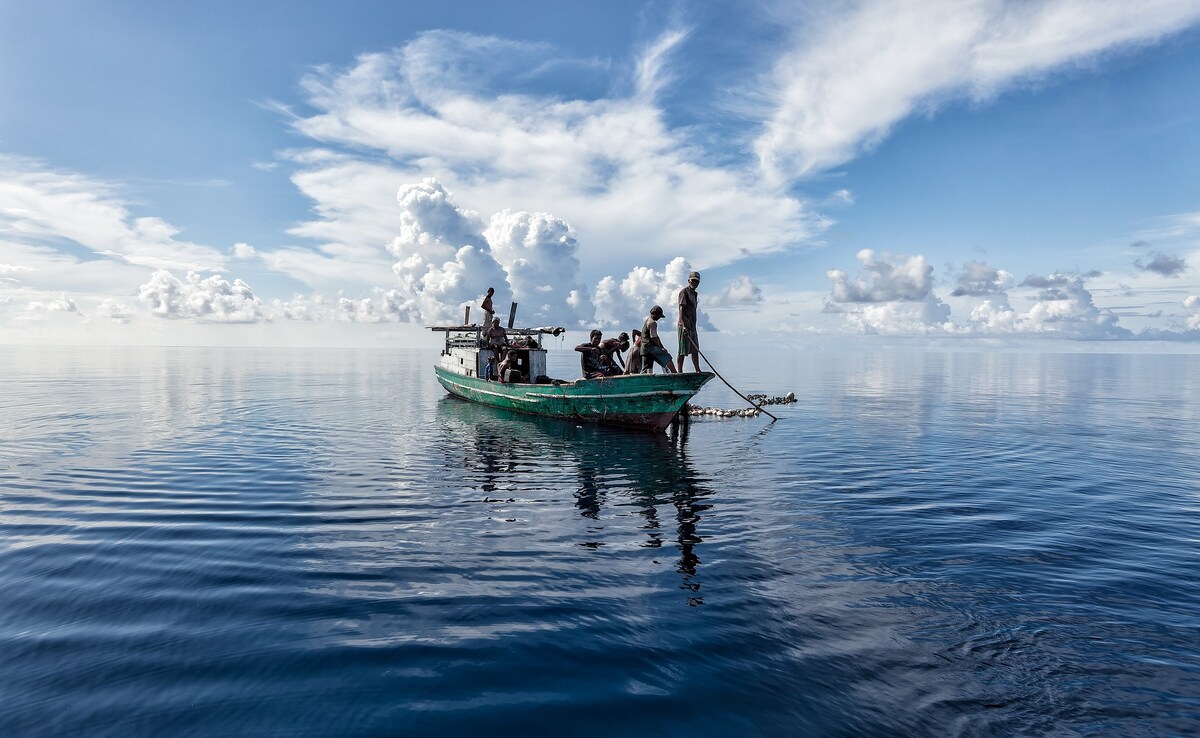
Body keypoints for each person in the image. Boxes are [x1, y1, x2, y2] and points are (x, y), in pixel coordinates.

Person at [676, 271, 701, 372]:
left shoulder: (694, 294)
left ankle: (697, 370)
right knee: (682, 350)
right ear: (688, 281)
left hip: (692, 327)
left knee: (695, 349)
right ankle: (679, 371)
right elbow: (681, 308)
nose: (694, 283)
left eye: (696, 281)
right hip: (684, 325)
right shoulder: (684, 292)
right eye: (693, 280)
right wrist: (683, 325)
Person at [640, 305, 676, 374]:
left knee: (647, 367)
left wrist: (661, 346)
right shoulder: (653, 323)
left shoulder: (647, 320)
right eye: (659, 316)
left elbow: (655, 336)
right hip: (650, 347)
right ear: (655, 314)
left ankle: (647, 378)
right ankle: (675, 373)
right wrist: (660, 348)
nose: (659, 318)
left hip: (644, 349)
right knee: (667, 357)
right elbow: (653, 337)